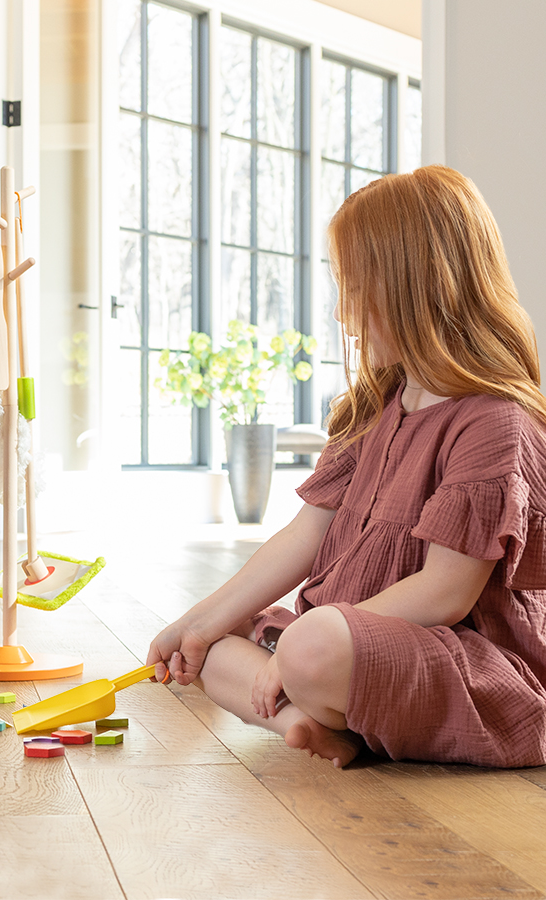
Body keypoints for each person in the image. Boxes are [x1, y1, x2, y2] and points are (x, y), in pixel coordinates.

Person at [148, 165, 546, 769]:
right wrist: (198, 623)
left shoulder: (494, 422)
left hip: (459, 659)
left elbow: (444, 594)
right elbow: (305, 534)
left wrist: (301, 647)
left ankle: (318, 696)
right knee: (218, 648)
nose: (344, 312)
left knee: (311, 645)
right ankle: (306, 719)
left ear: (412, 290)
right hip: (344, 643)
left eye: (355, 288)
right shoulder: (371, 407)